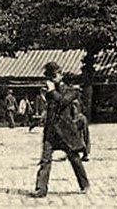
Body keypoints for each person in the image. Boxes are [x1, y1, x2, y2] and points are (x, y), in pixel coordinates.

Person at [31, 62, 90, 198]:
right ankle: (41, 189)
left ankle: (84, 184)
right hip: (51, 131)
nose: (53, 78)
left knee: (74, 158)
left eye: (55, 75)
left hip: (65, 132)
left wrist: (51, 90)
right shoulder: (49, 91)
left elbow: (63, 101)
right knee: (45, 159)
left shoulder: (73, 91)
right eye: (51, 76)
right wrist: (50, 90)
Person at [72, 95, 90, 161]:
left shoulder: (72, 101)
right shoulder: (79, 101)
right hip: (79, 118)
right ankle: (84, 153)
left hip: (77, 119)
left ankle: (84, 153)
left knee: (83, 135)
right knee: (84, 136)